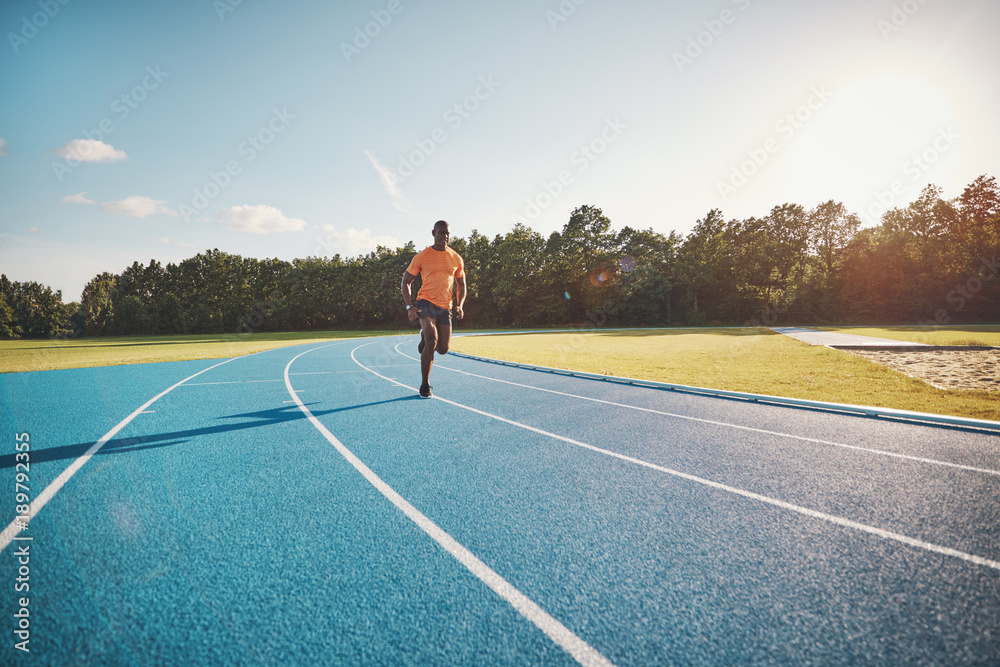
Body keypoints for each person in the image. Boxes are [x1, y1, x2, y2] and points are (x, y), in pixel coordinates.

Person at [401, 220, 466, 398]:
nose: (444, 236)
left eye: (447, 233)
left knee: (443, 348)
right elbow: (406, 281)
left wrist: (459, 305)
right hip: (425, 303)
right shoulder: (422, 256)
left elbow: (461, 285)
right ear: (433, 233)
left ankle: (424, 337)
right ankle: (425, 385)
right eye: (441, 232)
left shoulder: (456, 258)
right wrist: (410, 306)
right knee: (432, 341)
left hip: (446, 307)